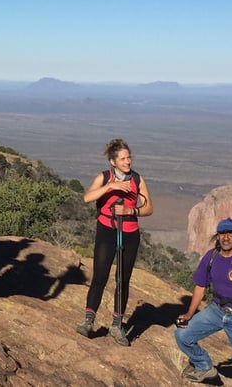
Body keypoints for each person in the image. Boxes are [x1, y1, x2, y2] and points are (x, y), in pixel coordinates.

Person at [76, 139, 153, 346]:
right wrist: (111, 187)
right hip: (107, 231)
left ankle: (117, 325)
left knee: (123, 279)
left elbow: (148, 208)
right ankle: (88, 321)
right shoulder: (104, 177)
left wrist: (131, 211)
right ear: (113, 161)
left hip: (130, 233)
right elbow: (87, 198)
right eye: (123, 158)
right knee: (100, 276)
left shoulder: (137, 179)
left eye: (129, 157)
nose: (128, 161)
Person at [175, 218, 232, 385]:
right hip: (216, 311)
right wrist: (189, 314)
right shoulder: (211, 257)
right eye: (222, 233)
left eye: (230, 234)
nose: (226, 237)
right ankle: (204, 366)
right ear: (217, 237)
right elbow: (200, 286)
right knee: (182, 334)